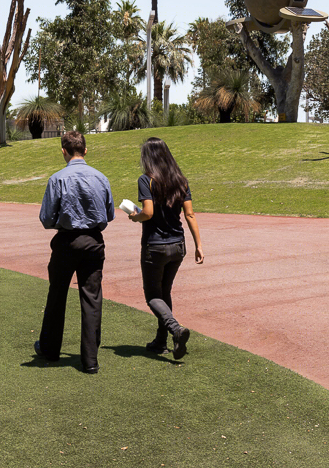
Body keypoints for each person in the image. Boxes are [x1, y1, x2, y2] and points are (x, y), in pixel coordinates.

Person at [34, 131, 114, 374]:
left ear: (63, 151)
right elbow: (109, 214)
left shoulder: (57, 179)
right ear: (85, 150)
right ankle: (90, 360)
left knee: (57, 294)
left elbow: (46, 219)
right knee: (91, 297)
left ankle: (50, 349)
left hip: (66, 242)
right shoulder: (101, 178)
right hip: (93, 242)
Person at [127, 136, 205, 360]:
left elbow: (148, 213)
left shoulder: (146, 180)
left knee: (152, 296)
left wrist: (135, 217)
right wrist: (199, 245)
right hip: (178, 245)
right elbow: (189, 214)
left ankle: (176, 329)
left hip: (155, 246)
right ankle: (161, 341)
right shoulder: (181, 180)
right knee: (165, 292)